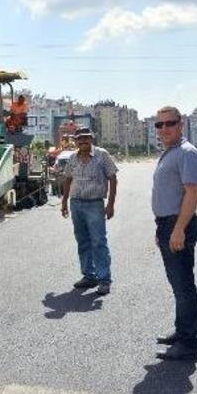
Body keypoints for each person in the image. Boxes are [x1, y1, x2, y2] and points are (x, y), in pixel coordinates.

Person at [151, 106, 197, 361]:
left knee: (184, 288)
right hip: (167, 225)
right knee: (179, 286)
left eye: (169, 123)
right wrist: (162, 229)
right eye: (159, 125)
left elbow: (192, 193)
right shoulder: (171, 152)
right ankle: (182, 332)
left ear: (180, 124)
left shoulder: (186, 152)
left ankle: (188, 343)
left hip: (177, 225)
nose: (164, 129)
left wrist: (178, 229)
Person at [61, 127, 118, 296]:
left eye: (86, 138)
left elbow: (113, 178)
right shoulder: (72, 158)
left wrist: (111, 204)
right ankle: (89, 275)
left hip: (95, 204)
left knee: (98, 242)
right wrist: (64, 202)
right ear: (76, 141)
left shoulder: (102, 155)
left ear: (91, 139)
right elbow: (67, 179)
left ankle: (104, 280)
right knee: (83, 241)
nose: (83, 141)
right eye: (79, 139)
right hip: (76, 204)